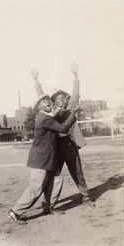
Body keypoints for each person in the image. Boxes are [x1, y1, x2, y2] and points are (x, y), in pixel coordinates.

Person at [8, 94, 79, 225]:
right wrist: (73, 113)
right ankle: (15, 211)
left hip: (47, 157)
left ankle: (49, 207)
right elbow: (62, 128)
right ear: (39, 106)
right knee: (36, 187)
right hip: (41, 158)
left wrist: (62, 109)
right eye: (44, 101)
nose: (48, 102)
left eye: (48, 100)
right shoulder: (44, 118)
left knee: (57, 179)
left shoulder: (46, 117)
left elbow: (55, 118)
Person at [30, 64, 95, 207]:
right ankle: (48, 202)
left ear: (66, 99)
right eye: (57, 98)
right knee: (52, 175)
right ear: (53, 101)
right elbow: (41, 97)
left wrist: (76, 76)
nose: (60, 99)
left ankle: (85, 197)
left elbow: (76, 94)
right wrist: (36, 81)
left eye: (63, 97)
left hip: (69, 145)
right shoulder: (50, 110)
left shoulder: (70, 107)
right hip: (55, 147)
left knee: (77, 172)